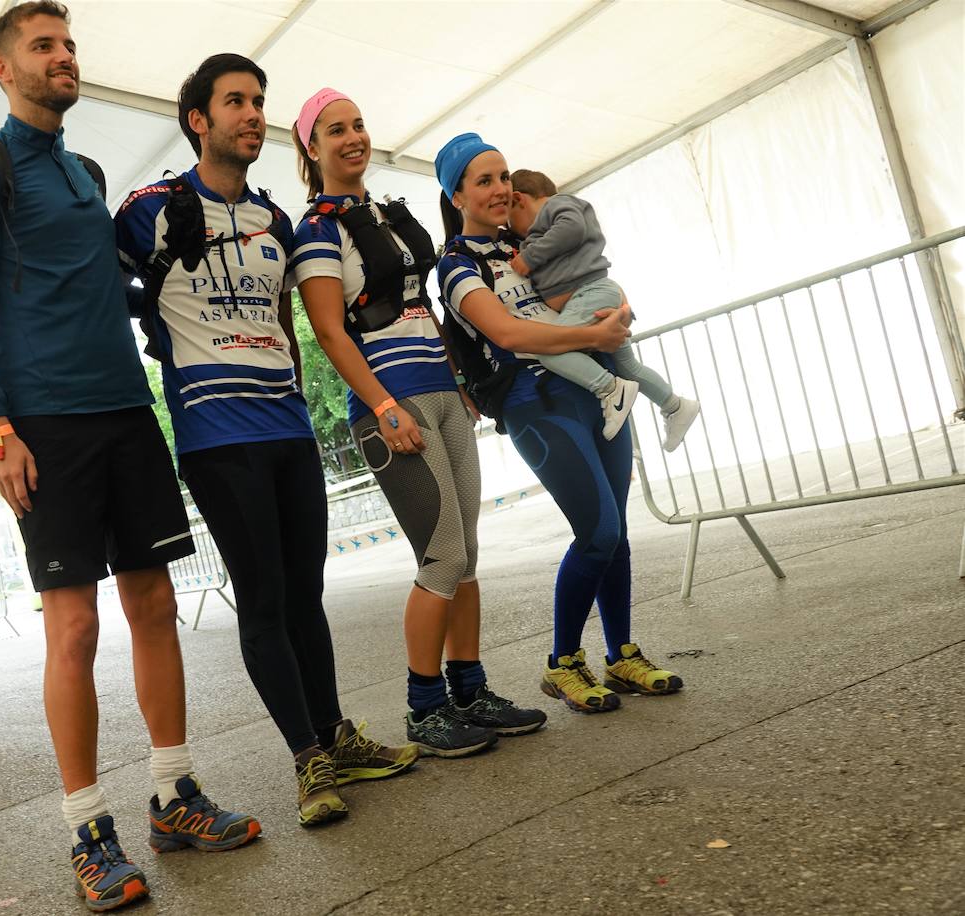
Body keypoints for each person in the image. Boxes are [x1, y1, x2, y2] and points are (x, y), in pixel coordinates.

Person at [0, 5, 256, 910]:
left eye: (68, 44)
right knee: (72, 628)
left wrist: (157, 283)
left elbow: (93, 289)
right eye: (43, 47)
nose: (63, 58)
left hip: (127, 412)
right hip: (46, 428)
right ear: (2, 70)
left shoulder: (84, 172)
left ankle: (174, 796)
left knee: (155, 604)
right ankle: (88, 829)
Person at [116, 59, 417, 828]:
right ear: (198, 120)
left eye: (258, 103)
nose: (252, 115)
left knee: (307, 596)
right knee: (264, 602)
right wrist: (143, 300)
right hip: (217, 438)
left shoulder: (276, 220)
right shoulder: (151, 208)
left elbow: (285, 321)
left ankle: (335, 734)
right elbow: (86, 287)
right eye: (235, 103)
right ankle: (305, 759)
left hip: (286, 426)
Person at [290, 89, 548, 758]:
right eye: (335, 130)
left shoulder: (391, 214)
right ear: (311, 149)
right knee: (441, 556)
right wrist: (382, 406)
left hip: (441, 393)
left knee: (468, 556)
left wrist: (459, 381)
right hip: (392, 408)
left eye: (358, 124)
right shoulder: (316, 228)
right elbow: (327, 330)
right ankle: (424, 706)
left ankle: (471, 691)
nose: (353, 137)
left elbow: (421, 306)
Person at [434, 132, 685, 714]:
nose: (501, 190)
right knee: (596, 530)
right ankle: (563, 663)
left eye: (504, 178)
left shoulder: (529, 236)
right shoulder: (456, 264)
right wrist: (590, 335)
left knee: (616, 528)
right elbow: (509, 332)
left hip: (594, 385)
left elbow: (589, 280)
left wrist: (614, 312)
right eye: (484, 181)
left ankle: (621, 653)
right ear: (456, 196)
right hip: (535, 400)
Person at [503, 168, 700, 449]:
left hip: (590, 295)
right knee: (629, 367)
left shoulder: (557, 205)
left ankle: (609, 389)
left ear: (519, 199)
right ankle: (676, 406)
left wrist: (530, 256)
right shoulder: (547, 224)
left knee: (549, 351)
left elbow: (572, 227)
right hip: (592, 298)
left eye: (512, 222)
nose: (518, 231)